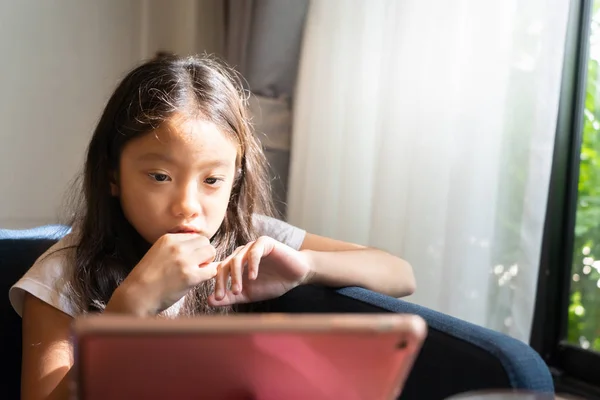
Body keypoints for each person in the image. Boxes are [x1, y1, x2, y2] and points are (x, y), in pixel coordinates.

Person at [9, 53, 416, 400]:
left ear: (235, 179)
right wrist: (128, 309)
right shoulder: (65, 272)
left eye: (211, 180)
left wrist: (306, 266)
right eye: (159, 177)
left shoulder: (252, 238)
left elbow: (400, 274)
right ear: (112, 174)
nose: (188, 207)